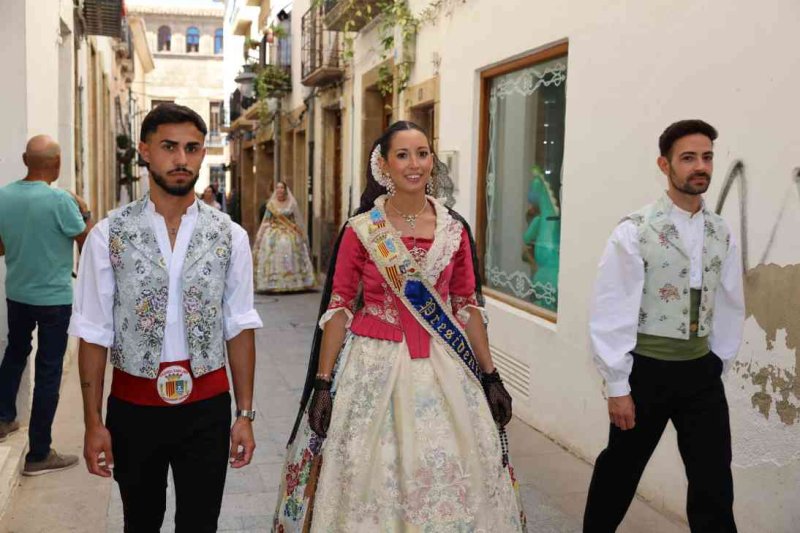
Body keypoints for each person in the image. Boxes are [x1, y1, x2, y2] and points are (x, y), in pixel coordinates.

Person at [273, 121, 526, 532]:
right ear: (384, 165)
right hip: (373, 366)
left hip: (446, 369)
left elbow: (466, 306)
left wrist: (492, 375)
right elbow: (338, 307)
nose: (415, 164)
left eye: (423, 153)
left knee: (454, 468)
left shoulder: (454, 230)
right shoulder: (362, 230)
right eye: (403, 155)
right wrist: (322, 384)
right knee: (368, 472)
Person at [70, 103, 262, 532]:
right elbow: (93, 333)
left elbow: (240, 325)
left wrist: (244, 415)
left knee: (200, 524)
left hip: (207, 407)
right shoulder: (108, 234)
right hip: (134, 408)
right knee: (139, 522)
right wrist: (92, 423)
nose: (181, 159)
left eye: (193, 148)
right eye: (169, 147)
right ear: (145, 151)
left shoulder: (230, 235)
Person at [583, 120, 745, 533]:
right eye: (688, 158)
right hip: (646, 372)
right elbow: (611, 309)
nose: (700, 167)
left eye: (706, 157)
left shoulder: (720, 231)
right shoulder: (635, 229)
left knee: (713, 483)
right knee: (620, 471)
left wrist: (717, 363)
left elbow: (729, 303)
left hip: (700, 373)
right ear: (665, 164)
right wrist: (618, 385)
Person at [0, 135, 92, 476]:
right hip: (54, 298)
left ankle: (3, 416)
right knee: (50, 369)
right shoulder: (59, 200)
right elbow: (88, 240)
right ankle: (39, 453)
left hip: (17, 293)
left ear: (25, 159)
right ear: (57, 164)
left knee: (16, 351)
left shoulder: (4, 195)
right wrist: (84, 209)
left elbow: (0, 247)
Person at [252, 181, 315, 293]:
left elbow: (296, 220)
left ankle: (293, 280)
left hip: (289, 230)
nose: (280, 190)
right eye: (278, 188)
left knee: (289, 242)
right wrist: (260, 234)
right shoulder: (271, 205)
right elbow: (266, 220)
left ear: (285, 190)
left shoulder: (291, 204)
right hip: (274, 230)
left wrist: (299, 232)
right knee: (273, 243)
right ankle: (272, 281)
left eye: (282, 188)